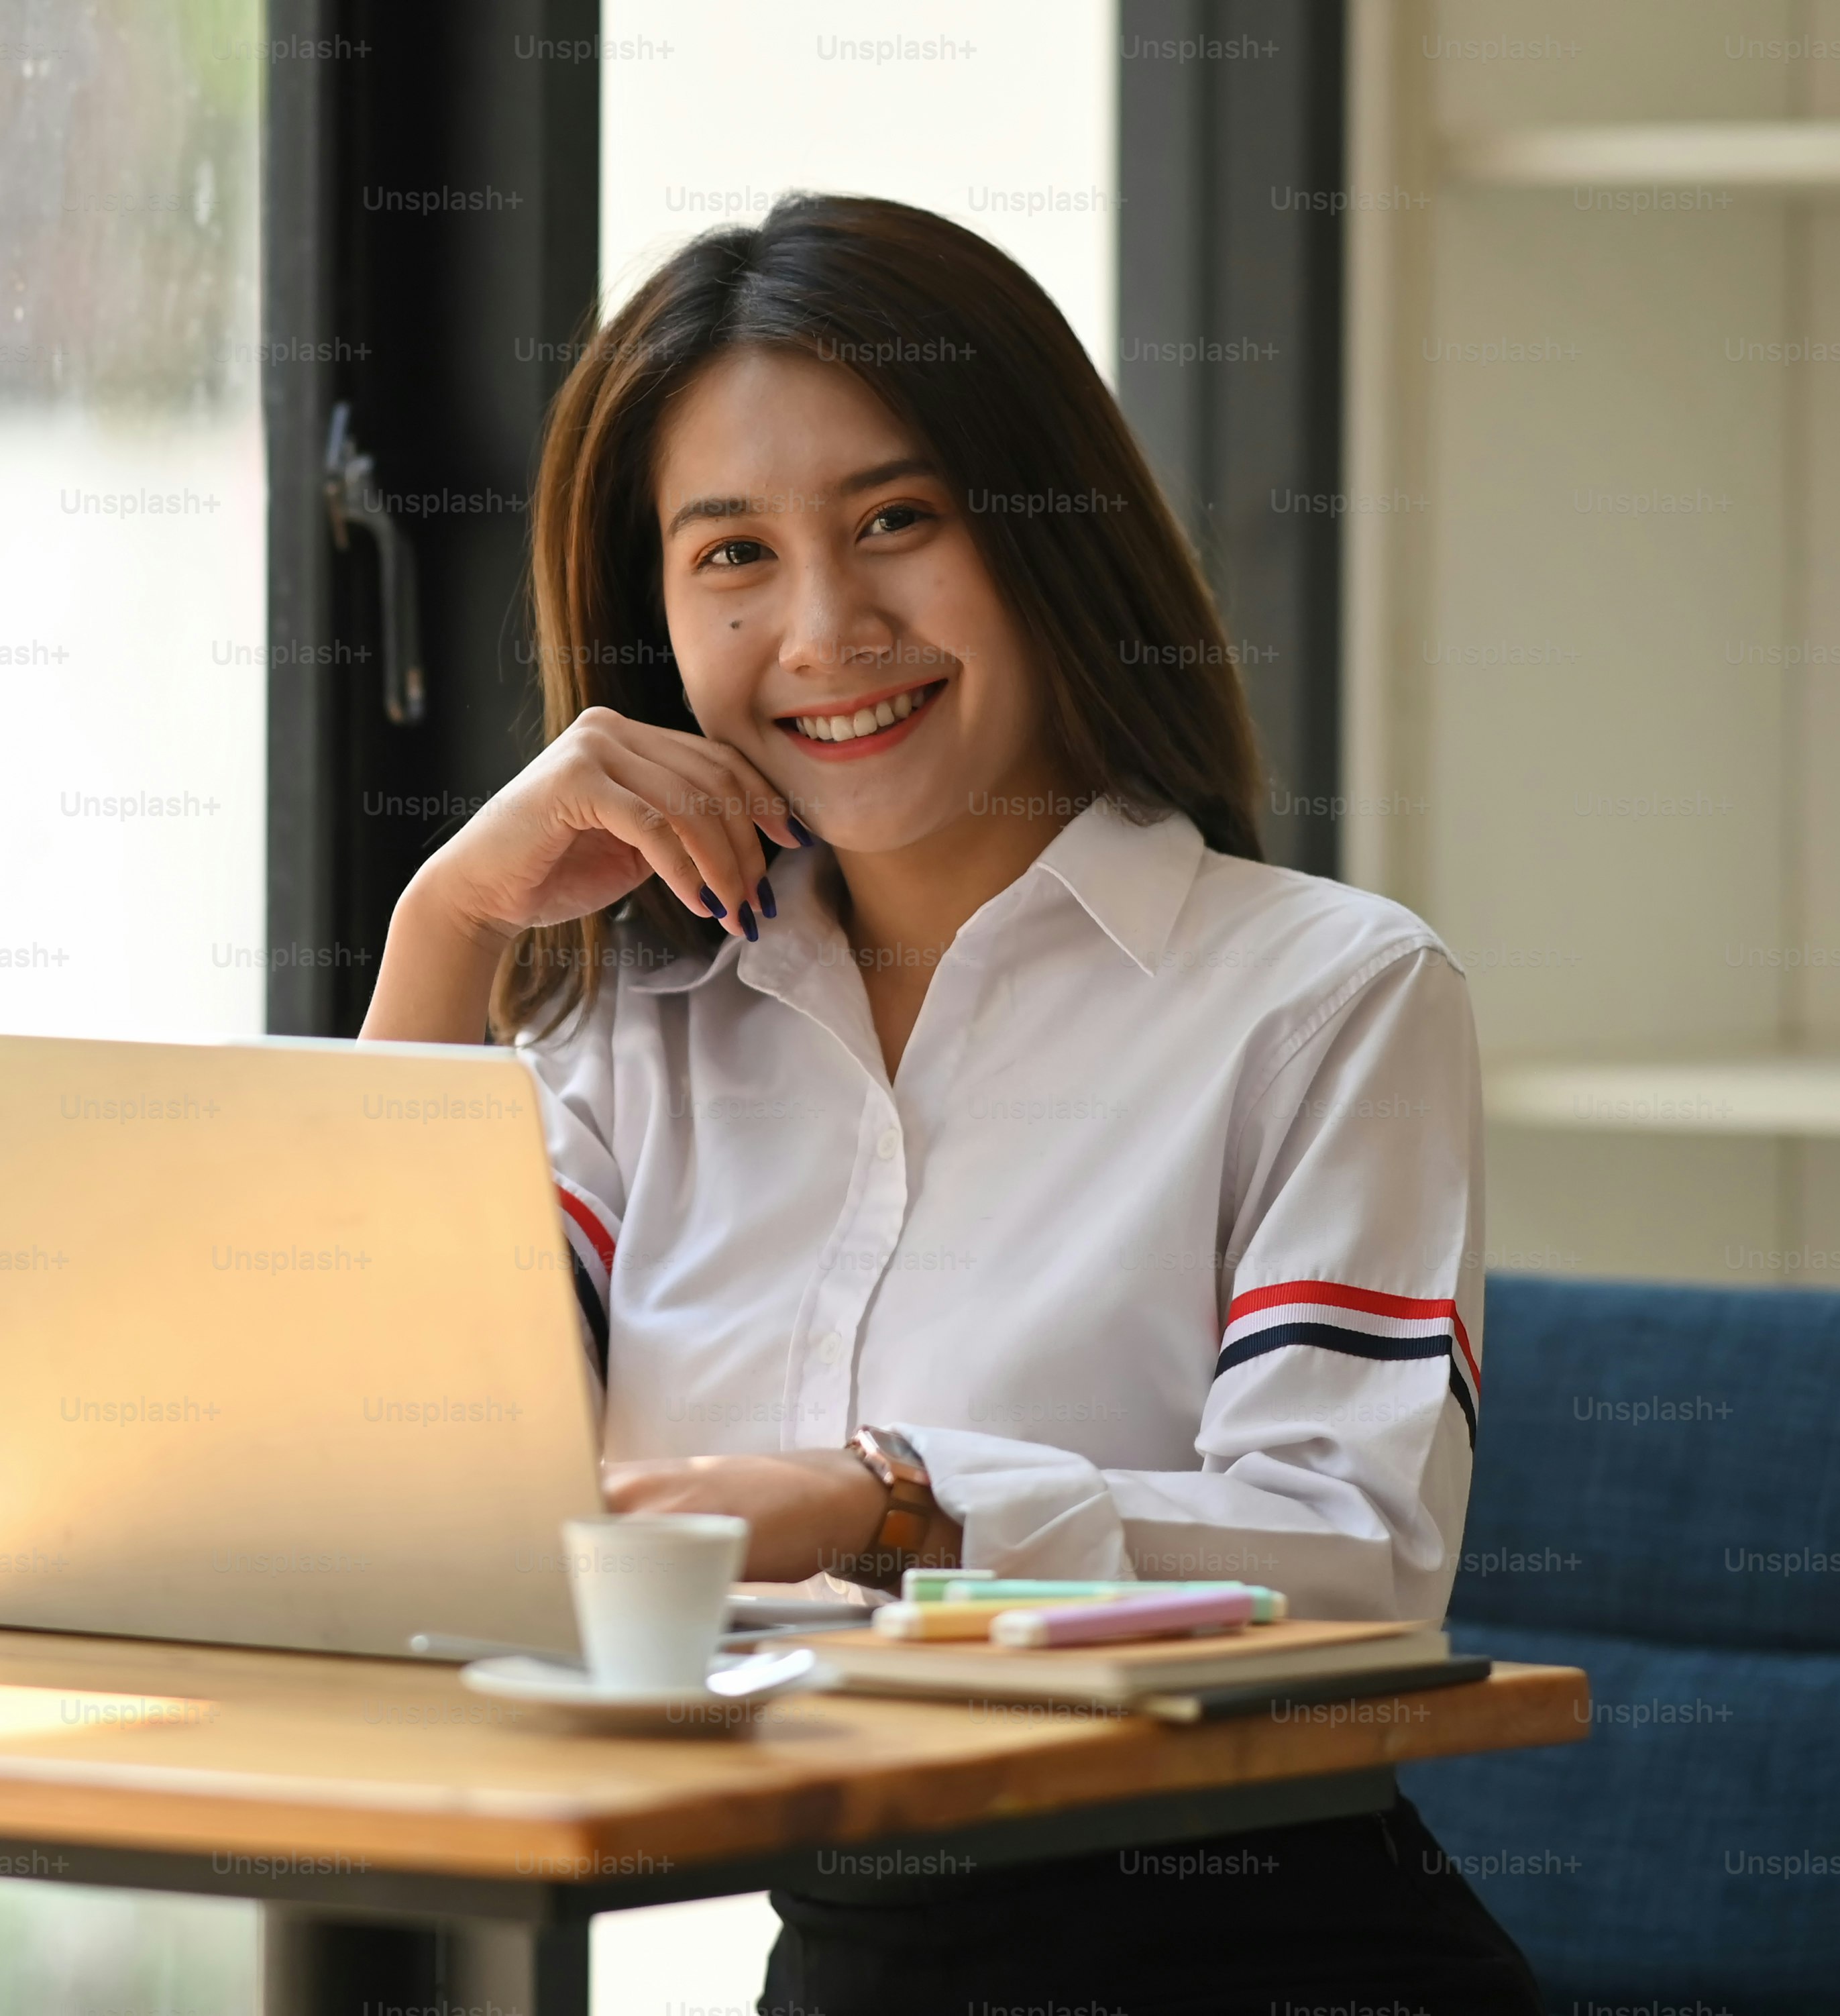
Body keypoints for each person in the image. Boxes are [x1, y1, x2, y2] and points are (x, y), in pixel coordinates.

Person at [356, 193, 1535, 2016]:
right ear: (649, 622)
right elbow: (387, 1490)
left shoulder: (1327, 993)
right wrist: (443, 929)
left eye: (897, 520)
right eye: (729, 554)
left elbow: (1352, 1568)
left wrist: (879, 1502)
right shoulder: (636, 1038)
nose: (826, 628)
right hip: (857, 1965)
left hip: (1267, 1962)